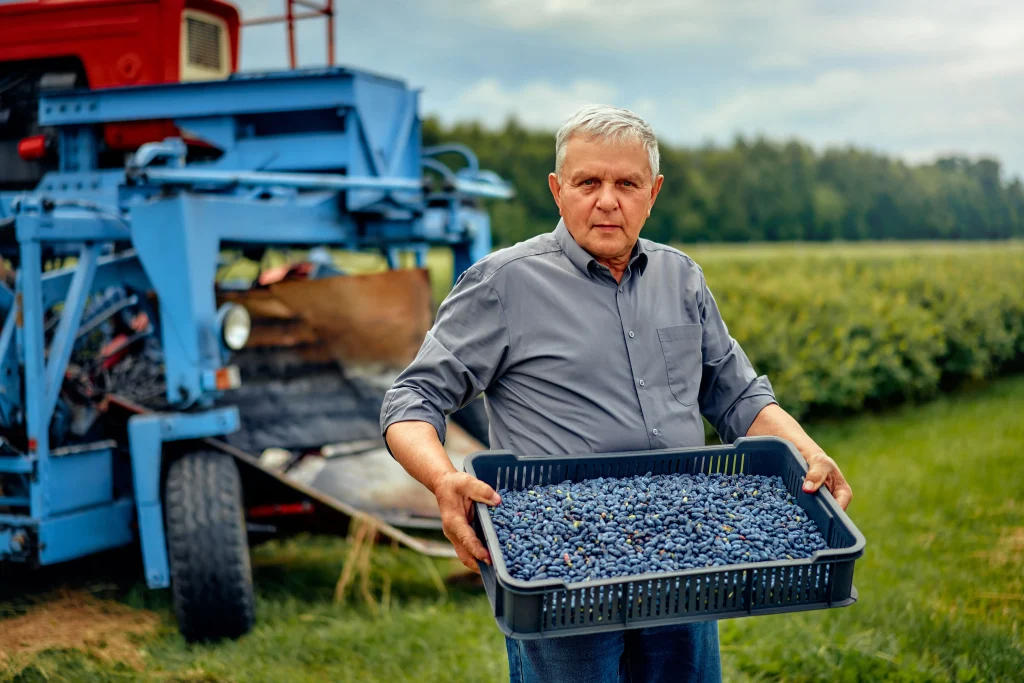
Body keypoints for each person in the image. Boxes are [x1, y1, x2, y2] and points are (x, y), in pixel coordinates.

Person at [380, 105, 853, 683]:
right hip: (560, 568)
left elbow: (737, 397)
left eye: (626, 183)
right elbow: (410, 401)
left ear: (652, 193)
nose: (607, 200)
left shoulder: (681, 279)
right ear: (558, 190)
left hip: (687, 553)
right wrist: (442, 478)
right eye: (588, 182)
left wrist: (806, 450)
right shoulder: (504, 283)